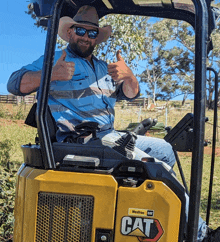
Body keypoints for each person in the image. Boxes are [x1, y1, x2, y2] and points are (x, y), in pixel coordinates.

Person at [7, 5, 220, 241]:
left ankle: (178, 222)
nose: (86, 37)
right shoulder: (55, 59)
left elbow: (131, 93)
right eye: (80, 30)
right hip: (83, 140)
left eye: (92, 33)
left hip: (109, 135)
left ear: (97, 37)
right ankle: (200, 235)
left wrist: (129, 76)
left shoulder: (103, 68)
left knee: (166, 150)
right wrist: (50, 73)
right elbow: (15, 83)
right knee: (157, 167)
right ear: (70, 32)